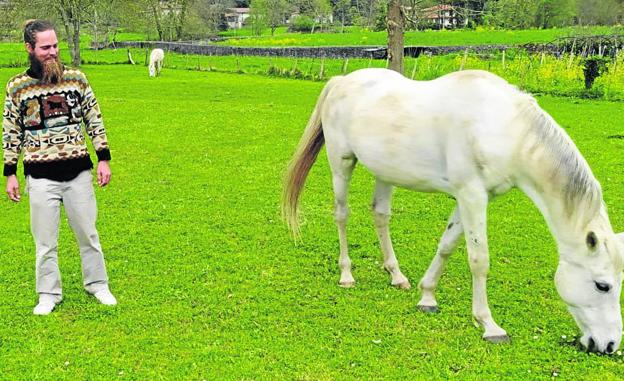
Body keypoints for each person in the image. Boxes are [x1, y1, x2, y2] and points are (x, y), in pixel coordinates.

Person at [2, 20, 117, 315]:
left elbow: (94, 118)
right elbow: (11, 131)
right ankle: (48, 294)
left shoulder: (77, 79)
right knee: (45, 242)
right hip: (40, 176)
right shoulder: (17, 87)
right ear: (29, 48)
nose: (52, 52)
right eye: (45, 47)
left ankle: (98, 284)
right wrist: (10, 172)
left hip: (78, 172)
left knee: (88, 234)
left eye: (55, 45)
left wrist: (103, 157)